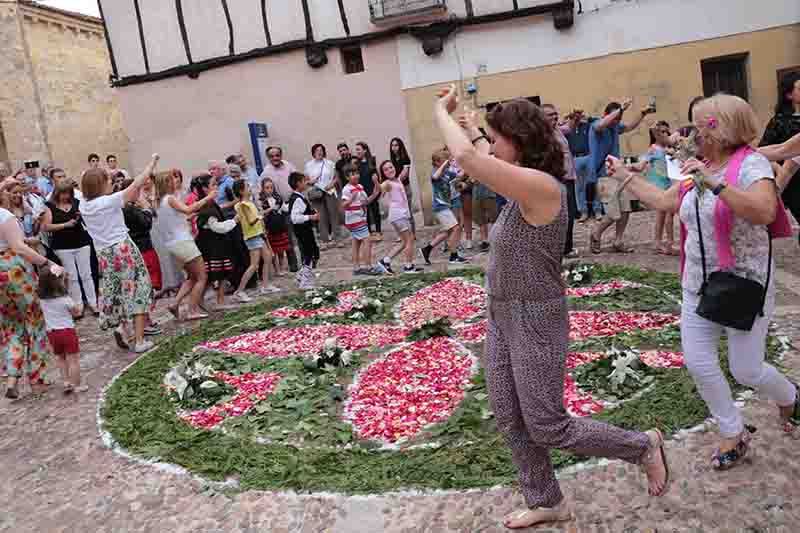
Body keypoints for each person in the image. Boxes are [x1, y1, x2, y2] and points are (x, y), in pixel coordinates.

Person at [434, 87, 670, 528]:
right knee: (509, 413)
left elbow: (469, 159)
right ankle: (546, 499)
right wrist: (469, 125)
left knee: (546, 423)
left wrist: (439, 113)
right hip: (502, 312)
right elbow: (482, 151)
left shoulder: (543, 188)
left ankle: (642, 446)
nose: (492, 145)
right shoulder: (520, 177)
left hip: (536, 317)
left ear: (519, 141)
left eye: (496, 137)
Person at [605, 93, 799, 470]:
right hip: (697, 284)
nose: (691, 132)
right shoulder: (699, 165)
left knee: (747, 369)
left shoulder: (751, 164)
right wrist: (625, 177)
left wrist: (714, 184)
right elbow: (664, 201)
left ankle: (790, 396)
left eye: (699, 125)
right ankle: (733, 431)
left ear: (722, 127)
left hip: (745, 283)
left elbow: (763, 210)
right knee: (699, 362)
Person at [80, 156, 160, 353]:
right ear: (99, 185)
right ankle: (140, 340)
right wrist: (152, 163)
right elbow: (138, 182)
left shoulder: (84, 205)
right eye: (107, 181)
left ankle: (120, 327)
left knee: (118, 291)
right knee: (139, 290)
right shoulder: (108, 201)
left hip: (105, 254)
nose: (111, 184)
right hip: (123, 249)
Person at [1, 190, 64, 399]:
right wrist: (46, 262)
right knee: (35, 321)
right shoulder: (5, 216)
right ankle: (37, 379)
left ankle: (12, 378)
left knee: (12, 326)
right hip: (13, 270)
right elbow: (17, 247)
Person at [589, 99, 653, 254]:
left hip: (618, 173)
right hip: (603, 175)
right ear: (607, 114)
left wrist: (643, 113)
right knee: (612, 213)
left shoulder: (615, 126)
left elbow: (631, 126)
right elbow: (602, 124)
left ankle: (618, 241)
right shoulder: (597, 125)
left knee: (625, 209)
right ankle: (596, 233)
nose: (617, 122)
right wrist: (620, 110)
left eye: (619, 119)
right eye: (615, 118)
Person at [154, 169, 216, 322]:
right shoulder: (170, 199)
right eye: (172, 179)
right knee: (202, 276)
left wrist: (191, 215)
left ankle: (175, 304)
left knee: (192, 277)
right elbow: (188, 208)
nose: (175, 181)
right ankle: (192, 310)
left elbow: (182, 216)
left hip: (174, 244)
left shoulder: (160, 201)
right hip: (183, 242)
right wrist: (208, 197)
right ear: (166, 183)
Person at [41, 181, 98, 317]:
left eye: (67, 193)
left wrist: (81, 216)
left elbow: (88, 218)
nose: (65, 196)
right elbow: (46, 226)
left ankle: (93, 302)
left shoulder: (77, 202)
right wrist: (65, 225)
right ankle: (78, 303)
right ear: (57, 193)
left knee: (87, 274)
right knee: (71, 276)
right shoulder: (50, 206)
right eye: (62, 193)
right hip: (62, 245)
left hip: (81, 242)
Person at [120, 178, 163, 336]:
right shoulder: (129, 209)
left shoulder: (129, 207)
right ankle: (143, 322)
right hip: (142, 250)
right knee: (146, 287)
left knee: (147, 287)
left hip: (142, 248)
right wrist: (145, 209)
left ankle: (146, 319)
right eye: (138, 189)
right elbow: (145, 224)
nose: (140, 193)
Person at [760, 71, 800, 229]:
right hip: (794, 184)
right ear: (789, 94)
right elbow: (776, 151)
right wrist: (780, 170)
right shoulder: (780, 121)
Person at [38, 265, 87, 394]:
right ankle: (76, 385)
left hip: (52, 333)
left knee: (60, 358)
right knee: (73, 360)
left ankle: (66, 382)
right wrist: (78, 308)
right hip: (66, 331)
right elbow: (76, 312)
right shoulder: (65, 300)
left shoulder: (42, 300)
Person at [192, 175, 238, 308]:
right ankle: (213, 301)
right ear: (205, 189)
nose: (216, 187)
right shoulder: (207, 206)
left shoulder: (211, 203)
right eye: (213, 185)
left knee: (219, 273)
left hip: (215, 243)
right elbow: (216, 227)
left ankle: (214, 301)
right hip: (212, 246)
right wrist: (234, 221)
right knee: (216, 274)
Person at [232, 179, 280, 300]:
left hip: (258, 234)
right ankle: (239, 291)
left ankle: (265, 285)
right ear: (241, 191)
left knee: (268, 257)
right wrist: (260, 216)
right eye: (247, 186)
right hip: (252, 236)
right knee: (254, 265)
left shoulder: (248, 203)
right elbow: (251, 221)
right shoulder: (243, 205)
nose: (250, 188)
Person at [419, 149, 468, 266]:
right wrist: (445, 164)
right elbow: (435, 177)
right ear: (437, 162)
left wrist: (469, 165)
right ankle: (453, 255)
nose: (448, 163)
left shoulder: (447, 173)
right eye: (445, 161)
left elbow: (459, 175)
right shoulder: (434, 172)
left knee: (448, 231)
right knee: (456, 228)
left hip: (447, 206)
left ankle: (427, 249)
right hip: (440, 207)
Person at [543, 103, 579, 258]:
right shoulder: (543, 135)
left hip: (568, 177)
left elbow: (569, 128)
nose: (554, 117)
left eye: (555, 114)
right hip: (557, 179)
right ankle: (560, 248)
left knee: (569, 214)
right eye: (550, 115)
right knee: (560, 215)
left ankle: (566, 247)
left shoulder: (557, 130)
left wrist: (575, 118)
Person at [378, 160, 423, 274]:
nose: (390, 170)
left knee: (404, 241)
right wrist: (377, 186)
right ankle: (408, 266)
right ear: (383, 173)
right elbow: (380, 188)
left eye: (391, 167)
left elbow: (404, 171)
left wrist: (406, 164)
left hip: (401, 215)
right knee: (409, 240)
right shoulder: (388, 183)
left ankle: (385, 261)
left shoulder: (397, 180)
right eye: (386, 169)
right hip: (398, 215)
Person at [341, 163, 385, 276]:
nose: (355, 176)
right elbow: (344, 205)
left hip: (359, 217)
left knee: (356, 242)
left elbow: (366, 201)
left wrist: (375, 192)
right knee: (367, 240)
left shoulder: (360, 187)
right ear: (347, 177)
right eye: (352, 174)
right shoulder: (347, 189)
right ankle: (368, 266)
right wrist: (351, 199)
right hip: (355, 219)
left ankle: (356, 267)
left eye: (356, 173)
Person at [641, 121, 677, 255]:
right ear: (655, 135)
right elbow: (643, 162)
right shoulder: (654, 149)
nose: (665, 134)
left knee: (667, 214)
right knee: (661, 214)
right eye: (662, 132)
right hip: (659, 184)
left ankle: (667, 242)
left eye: (667, 132)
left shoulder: (670, 148)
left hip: (668, 183)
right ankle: (659, 242)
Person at [260, 146, 299, 272]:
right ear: (268, 158)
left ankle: (296, 264)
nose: (275, 158)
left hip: (292, 203)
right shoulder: (266, 172)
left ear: (281, 155)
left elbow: (297, 178)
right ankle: (284, 267)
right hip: (278, 210)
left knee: (294, 235)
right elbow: (261, 190)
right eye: (272, 156)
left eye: (277, 155)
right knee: (286, 237)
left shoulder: (288, 165)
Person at [304, 144, 342, 247]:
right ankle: (325, 240)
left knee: (333, 215)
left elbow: (336, 178)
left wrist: (331, 184)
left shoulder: (329, 163)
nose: (319, 152)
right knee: (321, 217)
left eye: (321, 150)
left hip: (329, 191)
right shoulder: (308, 165)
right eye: (317, 150)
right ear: (313, 152)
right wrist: (310, 181)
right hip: (317, 192)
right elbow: (306, 181)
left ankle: (337, 239)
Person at [564, 110, 598, 222]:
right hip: (575, 158)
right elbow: (560, 125)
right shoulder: (568, 128)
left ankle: (597, 210)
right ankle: (584, 212)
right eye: (575, 116)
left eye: (578, 116)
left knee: (593, 183)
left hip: (588, 156)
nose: (577, 118)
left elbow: (596, 121)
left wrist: (586, 117)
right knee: (579, 187)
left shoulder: (587, 126)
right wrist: (568, 118)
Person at [288, 172, 320, 289]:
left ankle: (301, 275)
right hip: (303, 231)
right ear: (298, 184)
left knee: (311, 252)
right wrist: (311, 217)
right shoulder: (297, 199)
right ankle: (305, 282)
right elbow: (295, 218)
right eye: (303, 181)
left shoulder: (298, 197)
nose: (306, 183)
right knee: (309, 254)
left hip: (305, 230)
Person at [260, 178, 290, 276]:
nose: (269, 189)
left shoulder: (278, 198)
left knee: (281, 250)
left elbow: (284, 208)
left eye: (271, 187)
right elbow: (261, 214)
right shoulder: (262, 201)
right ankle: (276, 269)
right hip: (270, 228)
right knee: (273, 251)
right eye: (267, 188)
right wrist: (270, 209)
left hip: (280, 226)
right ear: (263, 189)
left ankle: (281, 268)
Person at [354, 142, 382, 240]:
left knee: (375, 211)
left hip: (372, 190)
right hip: (362, 191)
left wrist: (377, 188)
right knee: (365, 213)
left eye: (358, 149)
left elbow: (376, 176)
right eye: (356, 149)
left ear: (365, 150)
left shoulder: (372, 161)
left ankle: (378, 232)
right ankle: (369, 232)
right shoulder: (356, 164)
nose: (357, 151)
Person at [389, 137, 416, 236]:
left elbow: (404, 173)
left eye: (396, 145)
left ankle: (412, 234)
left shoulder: (405, 158)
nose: (394, 147)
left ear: (400, 146)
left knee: (407, 212)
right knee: (398, 213)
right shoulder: (392, 160)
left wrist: (396, 181)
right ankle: (403, 234)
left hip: (405, 187)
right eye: (392, 145)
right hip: (396, 189)